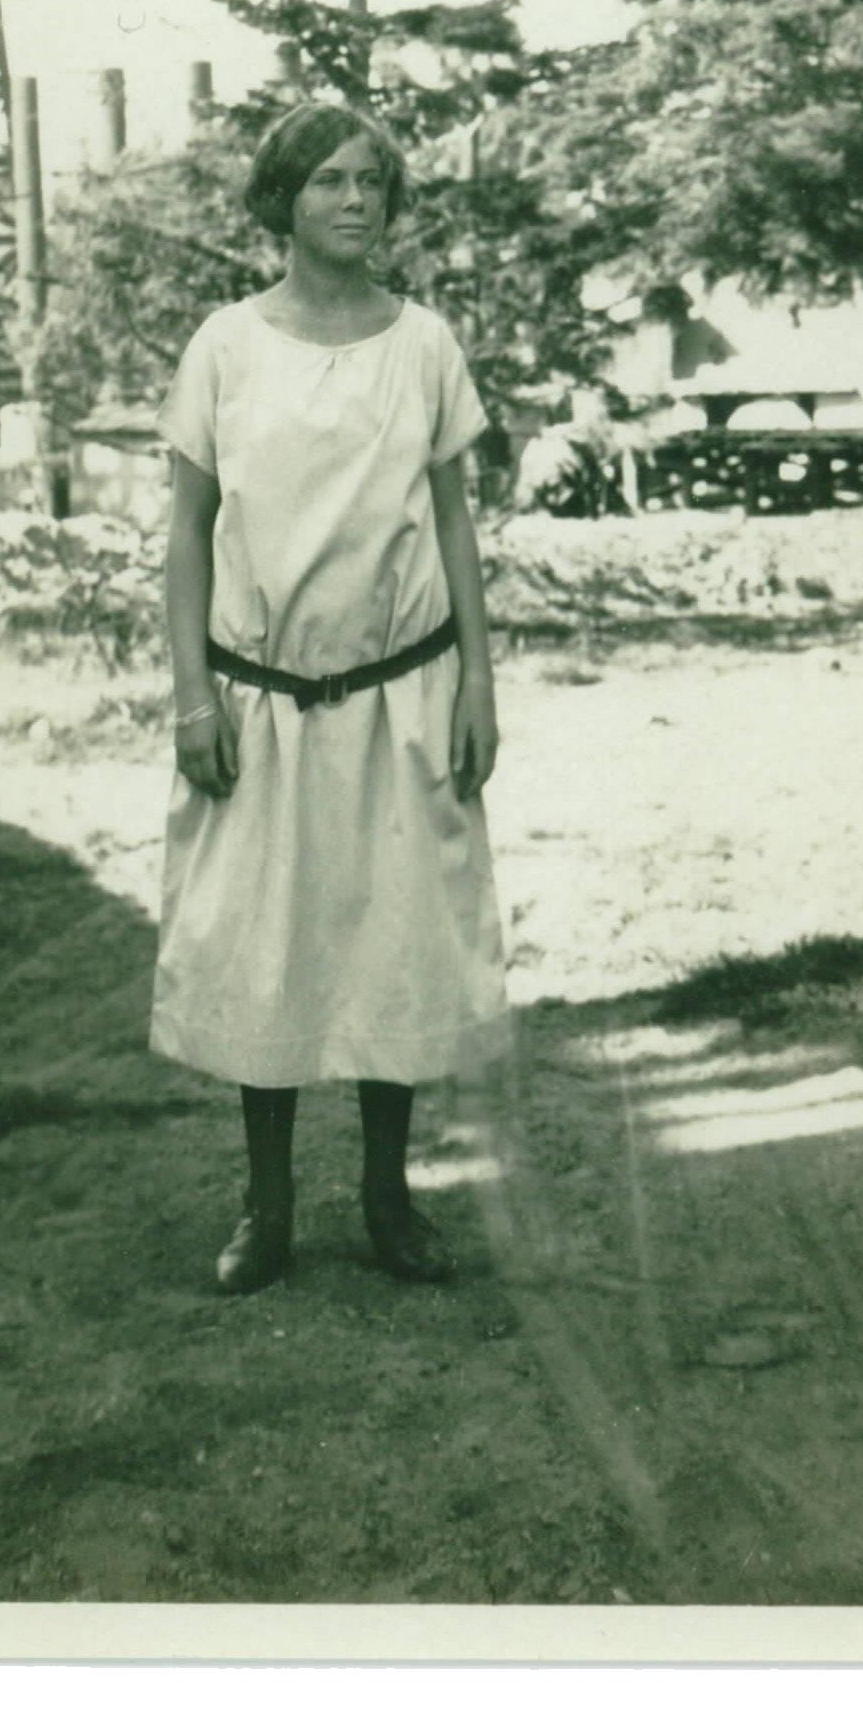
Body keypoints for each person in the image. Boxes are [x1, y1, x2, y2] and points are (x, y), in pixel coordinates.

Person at [151, 99, 511, 1295]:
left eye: (372, 181)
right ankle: (268, 1208)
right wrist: (194, 698)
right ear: (283, 202)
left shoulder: (424, 346)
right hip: (260, 703)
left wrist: (477, 682)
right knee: (270, 944)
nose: (356, 202)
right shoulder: (225, 348)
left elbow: (455, 524)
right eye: (329, 183)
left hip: (401, 689)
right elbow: (190, 539)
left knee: (393, 935)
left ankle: (388, 1198)